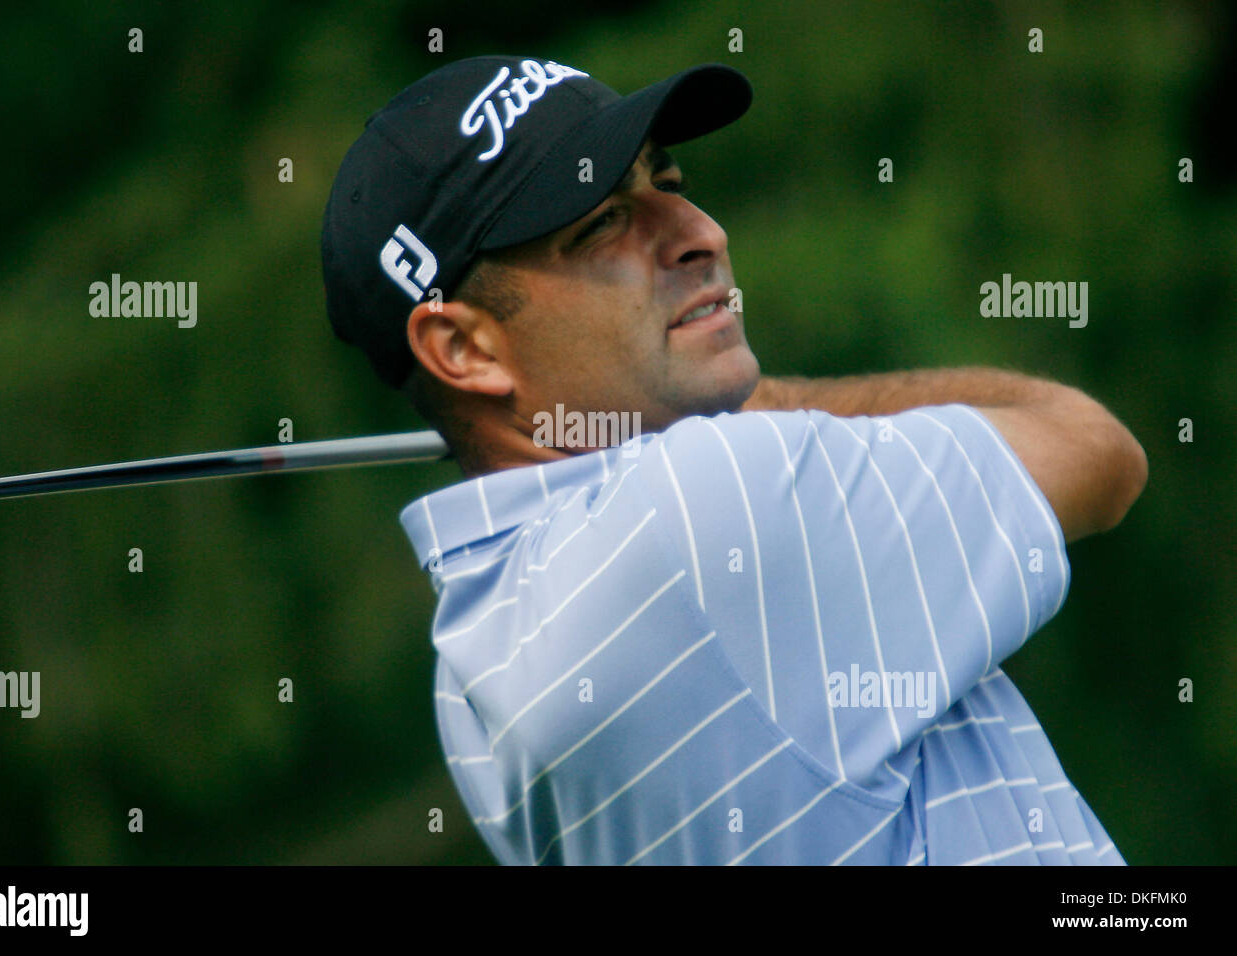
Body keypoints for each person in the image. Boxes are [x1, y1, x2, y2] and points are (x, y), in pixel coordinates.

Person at [320, 55, 1148, 865]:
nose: (702, 233)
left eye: (667, 187)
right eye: (602, 221)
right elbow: (1096, 450)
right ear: (462, 348)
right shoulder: (706, 507)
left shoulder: (470, 674)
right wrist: (761, 401)